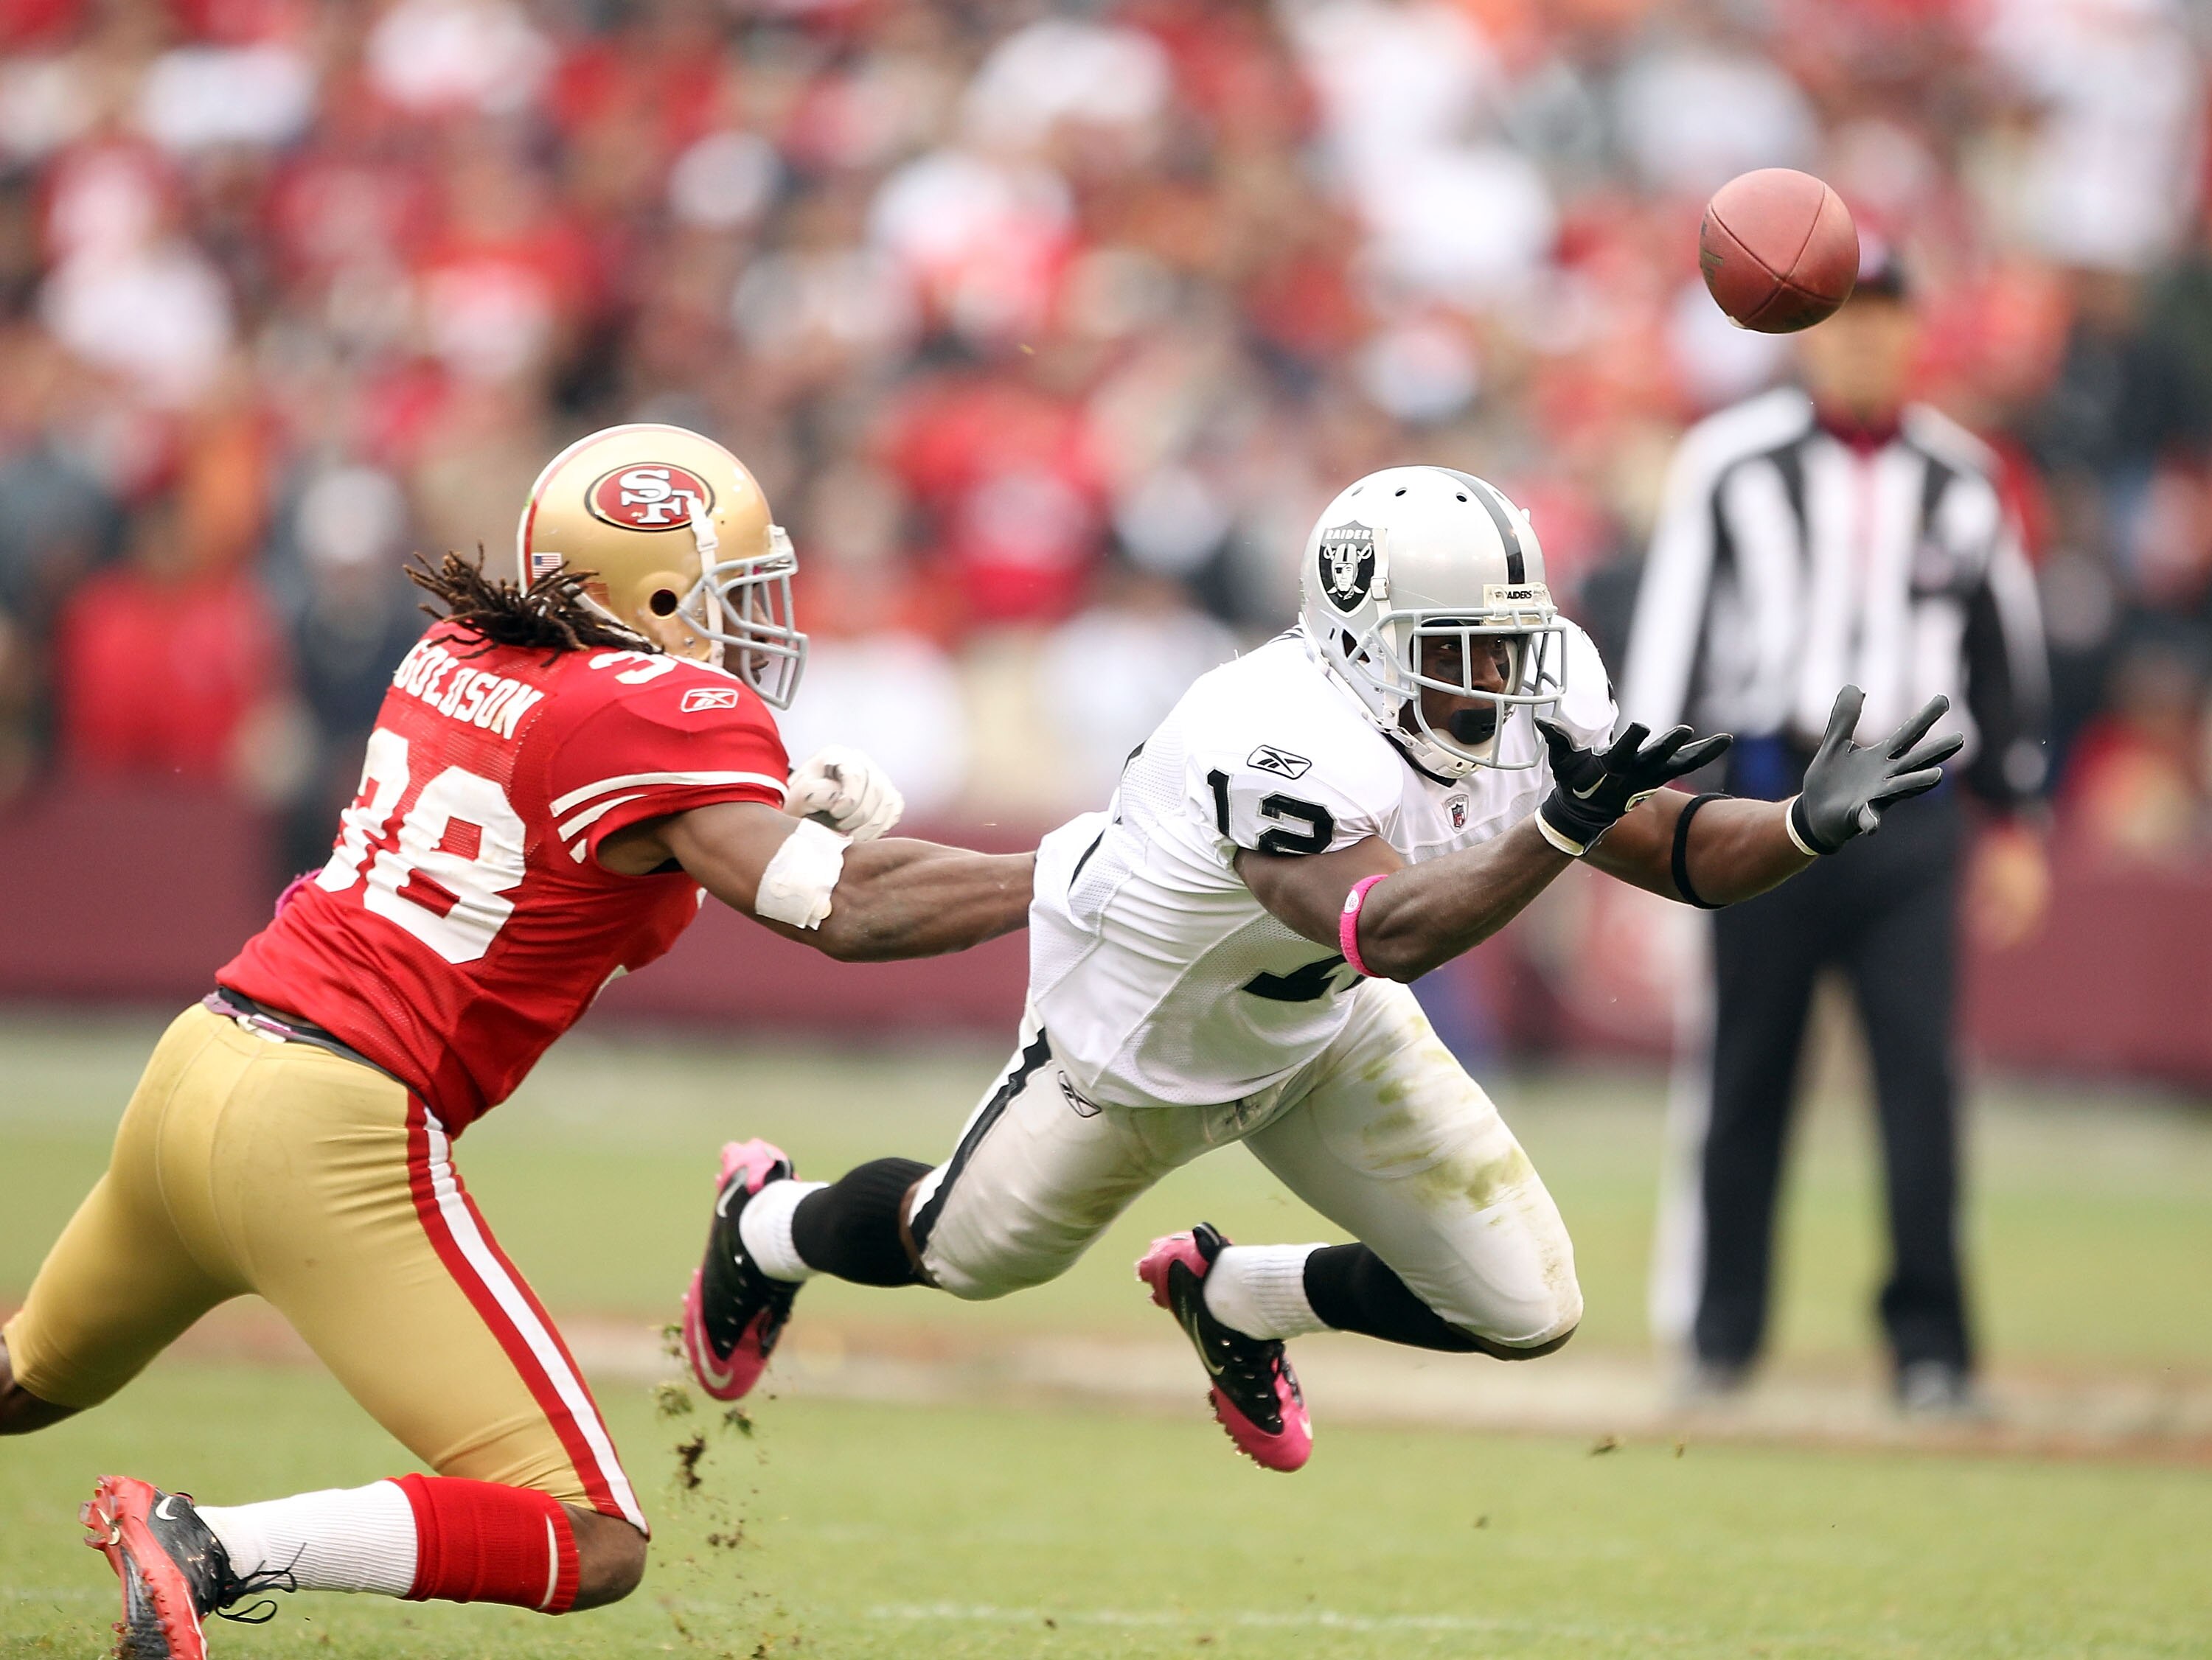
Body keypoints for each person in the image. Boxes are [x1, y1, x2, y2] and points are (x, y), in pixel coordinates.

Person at [682, 464, 1961, 1471]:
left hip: (1325, 1032)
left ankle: (1231, 1296)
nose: (1496, 675)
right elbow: (1377, 926)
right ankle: (767, 1226)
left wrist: (1796, 827)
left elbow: (1673, 843)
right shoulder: (1269, 734)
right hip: (1138, 1044)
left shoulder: (1534, 680)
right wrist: (1560, 828)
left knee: (1525, 1305)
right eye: (1458, 644)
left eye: (1507, 640)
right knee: (963, 1252)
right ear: (1361, 638)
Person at [0, 425, 1034, 1659]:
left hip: (202, 1067)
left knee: (20, 1383)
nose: (752, 622)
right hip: (330, 1133)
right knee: (595, 1538)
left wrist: (780, 806)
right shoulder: (669, 710)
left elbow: (577, 839)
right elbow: (844, 911)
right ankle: (212, 1544)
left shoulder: (455, 646)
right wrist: (1077, 871)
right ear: (654, 593)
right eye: (730, 591)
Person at [1621, 249, 2051, 1415]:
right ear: (1809, 333)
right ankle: (1720, 1340)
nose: (1866, 343)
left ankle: (1932, 1352)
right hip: (1766, 799)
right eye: (1848, 322)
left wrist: (2013, 817)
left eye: (1888, 323)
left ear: (1919, 337)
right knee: (1744, 1075)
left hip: (1911, 816)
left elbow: (2003, 651)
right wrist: (1647, 814)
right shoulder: (1733, 463)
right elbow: (1675, 641)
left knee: (1919, 1082)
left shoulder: (1965, 477)